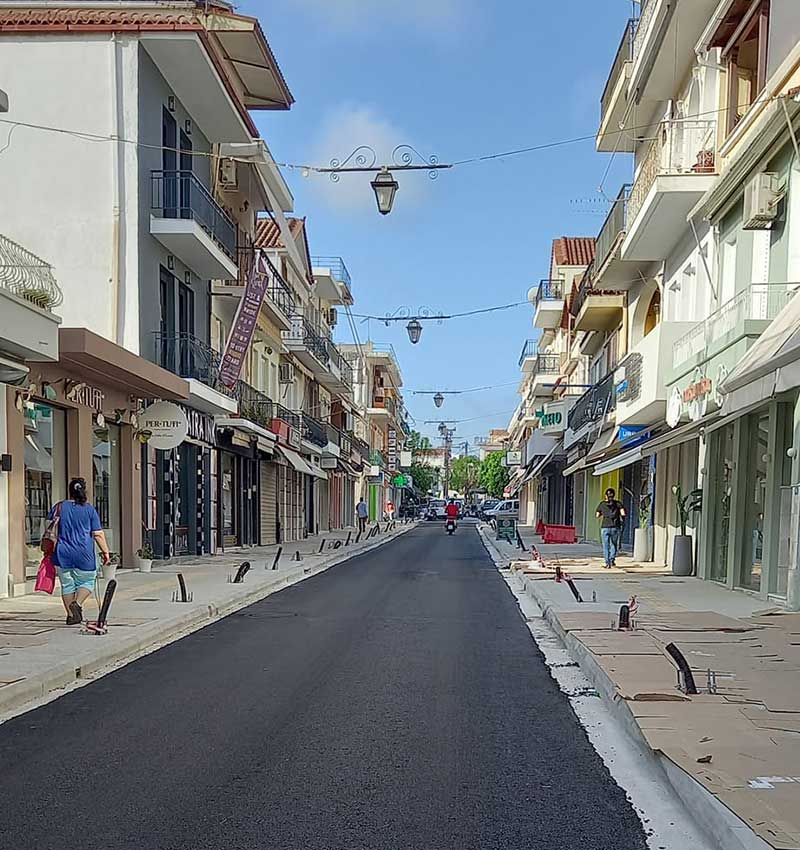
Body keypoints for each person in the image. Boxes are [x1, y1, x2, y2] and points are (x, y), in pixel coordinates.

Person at [48, 477, 111, 624]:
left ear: (69, 491)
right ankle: (77, 604)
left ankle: (71, 616)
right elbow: (98, 534)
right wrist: (106, 552)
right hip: (84, 554)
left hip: (62, 553)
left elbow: (48, 527)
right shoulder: (89, 510)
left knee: (67, 585)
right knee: (88, 581)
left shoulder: (59, 507)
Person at [596, 488, 625, 568]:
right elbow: (623, 514)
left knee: (606, 546)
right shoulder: (618, 503)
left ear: (606, 495)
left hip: (605, 527)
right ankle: (612, 560)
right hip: (615, 527)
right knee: (614, 544)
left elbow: (597, 515)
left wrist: (603, 513)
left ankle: (607, 562)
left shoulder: (602, 504)